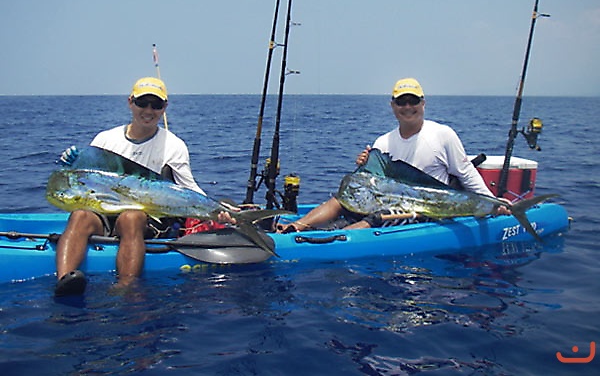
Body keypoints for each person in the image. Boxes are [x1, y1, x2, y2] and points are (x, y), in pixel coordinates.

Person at [54, 77, 233, 296]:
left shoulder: (174, 146)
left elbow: (189, 188)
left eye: (156, 105)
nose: (148, 110)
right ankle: (65, 279)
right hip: (105, 210)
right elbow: (84, 180)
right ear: (130, 102)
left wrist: (218, 211)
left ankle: (126, 287)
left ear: (164, 108)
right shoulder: (104, 139)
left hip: (147, 219)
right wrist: (68, 165)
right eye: (142, 103)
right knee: (80, 215)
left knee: (131, 217)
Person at [277, 78, 510, 233]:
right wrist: (362, 166)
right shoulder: (383, 142)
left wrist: (493, 203)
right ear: (392, 106)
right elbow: (371, 179)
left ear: (423, 103)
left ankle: (328, 242)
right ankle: (294, 228)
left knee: (379, 217)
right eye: (401, 101)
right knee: (341, 198)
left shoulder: (443, 134)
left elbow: (466, 173)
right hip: (384, 200)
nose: (408, 106)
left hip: (425, 209)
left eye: (413, 101)